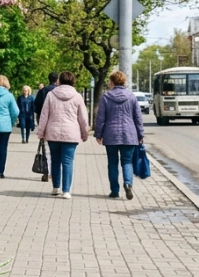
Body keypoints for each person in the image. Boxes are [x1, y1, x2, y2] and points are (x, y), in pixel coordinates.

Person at [35, 71, 89, 199]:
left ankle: (56, 188)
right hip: (71, 134)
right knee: (68, 162)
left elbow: (44, 115)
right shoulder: (77, 96)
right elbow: (83, 117)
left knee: (55, 160)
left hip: (53, 133)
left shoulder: (50, 95)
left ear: (59, 81)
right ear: (73, 81)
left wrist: (41, 132)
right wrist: (85, 133)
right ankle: (66, 191)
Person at [94, 71, 145, 200]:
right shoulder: (131, 96)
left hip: (111, 134)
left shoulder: (106, 97)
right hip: (129, 135)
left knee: (112, 163)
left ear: (112, 82)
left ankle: (114, 191)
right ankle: (128, 184)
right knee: (127, 162)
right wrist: (140, 134)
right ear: (123, 82)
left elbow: (101, 118)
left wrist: (98, 134)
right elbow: (138, 118)